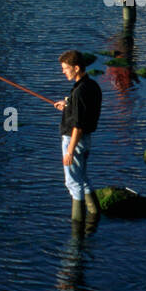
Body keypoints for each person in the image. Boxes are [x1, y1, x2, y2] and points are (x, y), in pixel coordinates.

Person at [53, 51, 102, 223]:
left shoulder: (80, 90)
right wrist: (67, 105)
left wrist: (69, 151)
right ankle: (95, 215)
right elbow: (83, 109)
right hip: (86, 140)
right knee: (83, 179)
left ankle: (77, 227)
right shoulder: (91, 85)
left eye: (66, 68)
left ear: (76, 68)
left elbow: (79, 125)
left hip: (75, 140)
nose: (63, 72)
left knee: (73, 183)